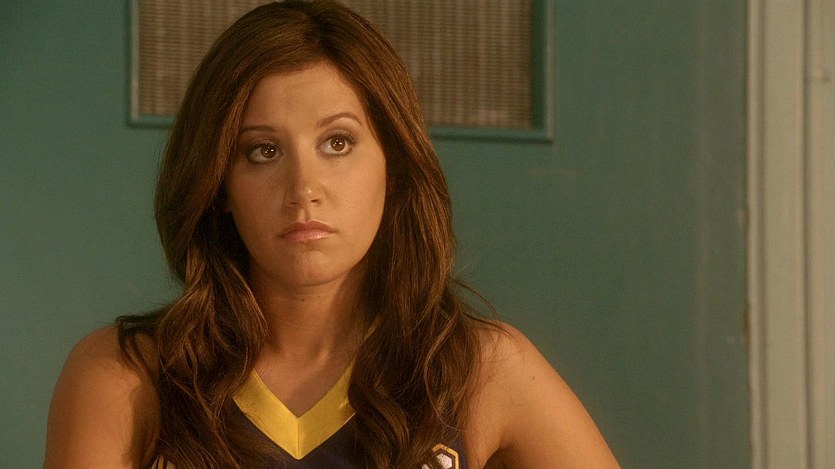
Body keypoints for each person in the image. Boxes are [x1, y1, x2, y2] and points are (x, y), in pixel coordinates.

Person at [44, 1, 620, 467]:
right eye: (263, 151)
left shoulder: (480, 371)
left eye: (338, 143)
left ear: (394, 164)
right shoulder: (123, 376)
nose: (304, 188)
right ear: (218, 184)